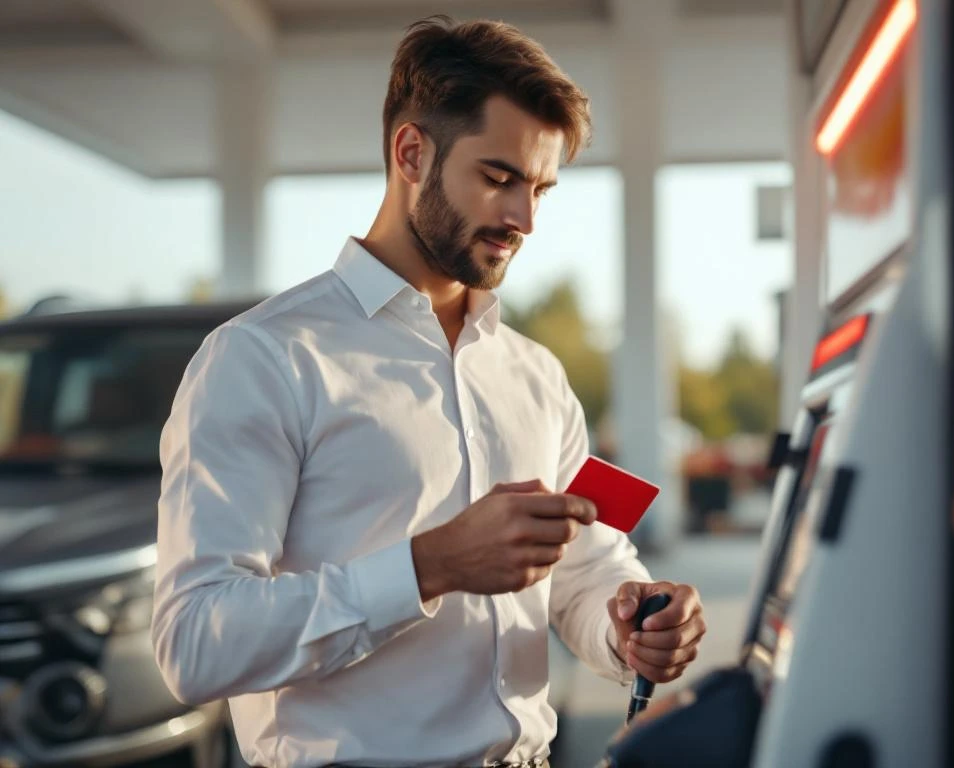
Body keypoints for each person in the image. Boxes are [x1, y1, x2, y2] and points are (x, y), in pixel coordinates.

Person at [151, 15, 706, 768]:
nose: (525, 219)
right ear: (411, 152)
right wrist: (428, 567)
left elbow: (590, 565)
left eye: (540, 187)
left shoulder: (536, 375)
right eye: (499, 178)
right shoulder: (263, 359)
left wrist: (633, 624)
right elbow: (194, 642)